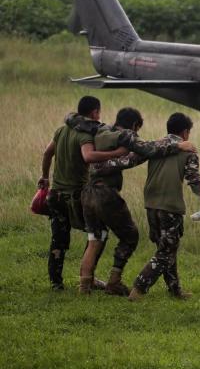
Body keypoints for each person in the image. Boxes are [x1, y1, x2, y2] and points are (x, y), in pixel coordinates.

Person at [75, 107, 196, 296]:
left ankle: (85, 286)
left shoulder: (102, 129)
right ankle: (114, 281)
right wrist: (178, 146)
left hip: (87, 192)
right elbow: (145, 151)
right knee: (130, 235)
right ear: (133, 125)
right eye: (137, 129)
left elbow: (72, 119)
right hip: (104, 193)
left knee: (95, 238)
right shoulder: (127, 136)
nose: (137, 134)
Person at [37, 96, 125, 291]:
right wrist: (116, 153)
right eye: (98, 112)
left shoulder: (61, 130)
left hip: (56, 195)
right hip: (75, 196)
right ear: (94, 112)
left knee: (58, 239)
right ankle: (88, 277)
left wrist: (45, 177)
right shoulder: (84, 134)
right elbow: (88, 156)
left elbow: (47, 153)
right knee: (98, 234)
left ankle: (56, 283)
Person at [128, 112, 200, 301]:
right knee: (166, 252)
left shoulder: (156, 146)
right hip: (170, 207)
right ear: (185, 132)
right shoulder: (188, 150)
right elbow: (194, 183)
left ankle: (175, 289)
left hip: (150, 205)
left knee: (167, 248)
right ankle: (139, 287)